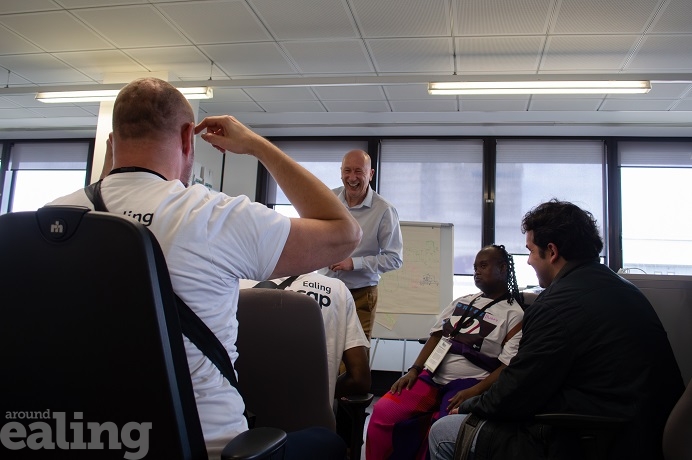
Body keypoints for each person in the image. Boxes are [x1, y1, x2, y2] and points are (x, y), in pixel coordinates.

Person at [47, 77, 363, 460]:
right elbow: (345, 233)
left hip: (82, 439)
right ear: (186, 139)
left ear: (113, 141)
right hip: (205, 445)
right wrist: (258, 146)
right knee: (326, 442)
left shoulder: (54, 220)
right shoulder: (214, 216)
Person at [428, 199, 684, 460]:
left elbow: (513, 394)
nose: (528, 261)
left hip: (596, 439)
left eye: (530, 251)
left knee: (444, 431)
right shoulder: (627, 290)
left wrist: (469, 405)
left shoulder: (554, 307)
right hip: (643, 429)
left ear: (551, 251)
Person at [366, 245, 524, 460]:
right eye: (475, 267)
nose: (476, 271)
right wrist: (414, 370)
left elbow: (507, 366)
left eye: (484, 266)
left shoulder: (514, 314)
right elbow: (437, 335)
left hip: (469, 384)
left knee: (441, 429)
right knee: (384, 411)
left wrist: (475, 391)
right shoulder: (462, 301)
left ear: (503, 268)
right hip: (432, 376)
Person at [238, 273, 371, 403]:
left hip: (242, 416)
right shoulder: (337, 290)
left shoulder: (235, 285)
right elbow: (359, 379)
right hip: (311, 418)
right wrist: (322, 395)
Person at [322, 149, 404, 341]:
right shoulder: (327, 199)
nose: (352, 177)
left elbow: (395, 259)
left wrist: (354, 263)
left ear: (370, 174)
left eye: (359, 171)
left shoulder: (384, 210)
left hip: (361, 293)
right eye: (347, 171)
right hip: (327, 289)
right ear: (340, 172)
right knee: (322, 348)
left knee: (355, 355)